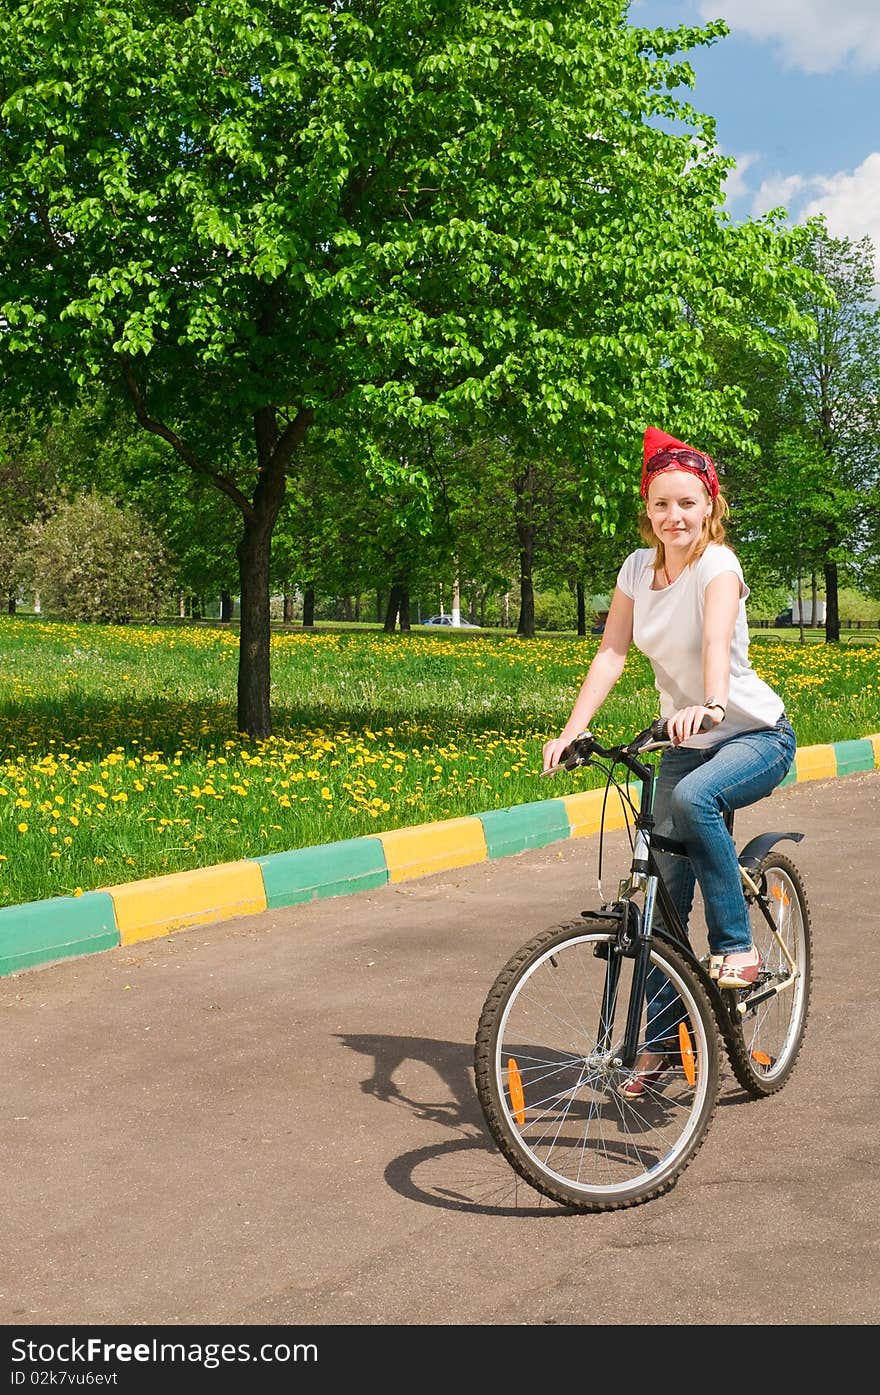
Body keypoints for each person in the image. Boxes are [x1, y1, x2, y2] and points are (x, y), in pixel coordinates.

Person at [542, 426, 796, 1101]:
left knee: (695, 801)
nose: (674, 517)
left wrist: (712, 702)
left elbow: (715, 639)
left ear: (708, 506)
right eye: (661, 505)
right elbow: (612, 654)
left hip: (751, 733)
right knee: (657, 894)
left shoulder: (719, 566)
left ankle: (738, 947)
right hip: (681, 740)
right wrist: (573, 730)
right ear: (646, 511)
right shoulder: (635, 568)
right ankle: (659, 1044)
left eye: (687, 503)